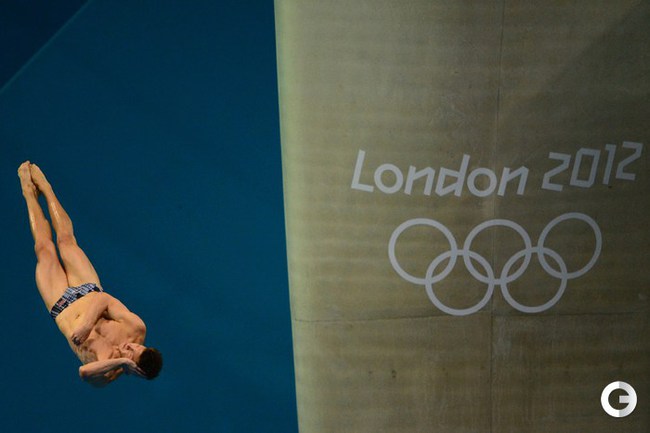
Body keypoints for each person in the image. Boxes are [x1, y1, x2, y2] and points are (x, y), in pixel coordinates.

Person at [18, 161, 162, 387]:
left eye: (131, 354)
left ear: (132, 368)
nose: (130, 346)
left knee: (44, 250)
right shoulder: (136, 328)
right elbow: (104, 299)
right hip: (86, 288)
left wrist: (121, 360)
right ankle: (47, 189)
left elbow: (84, 372)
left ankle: (28, 194)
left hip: (61, 305)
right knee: (66, 241)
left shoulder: (107, 372)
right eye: (137, 347)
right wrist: (86, 325)